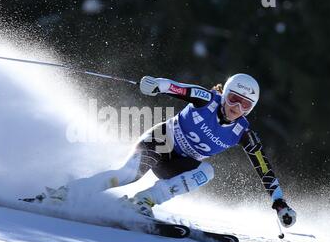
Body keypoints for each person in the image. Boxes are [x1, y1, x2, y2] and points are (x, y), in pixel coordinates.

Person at [25, 73, 297, 228]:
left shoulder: (244, 132)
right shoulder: (208, 100)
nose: (237, 108)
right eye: (234, 99)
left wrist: (279, 202)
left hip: (179, 163)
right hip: (161, 141)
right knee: (126, 175)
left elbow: (264, 168)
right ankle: (64, 194)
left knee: (207, 171)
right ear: (224, 94)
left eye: (245, 105)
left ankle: (142, 203)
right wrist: (158, 85)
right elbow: (183, 90)